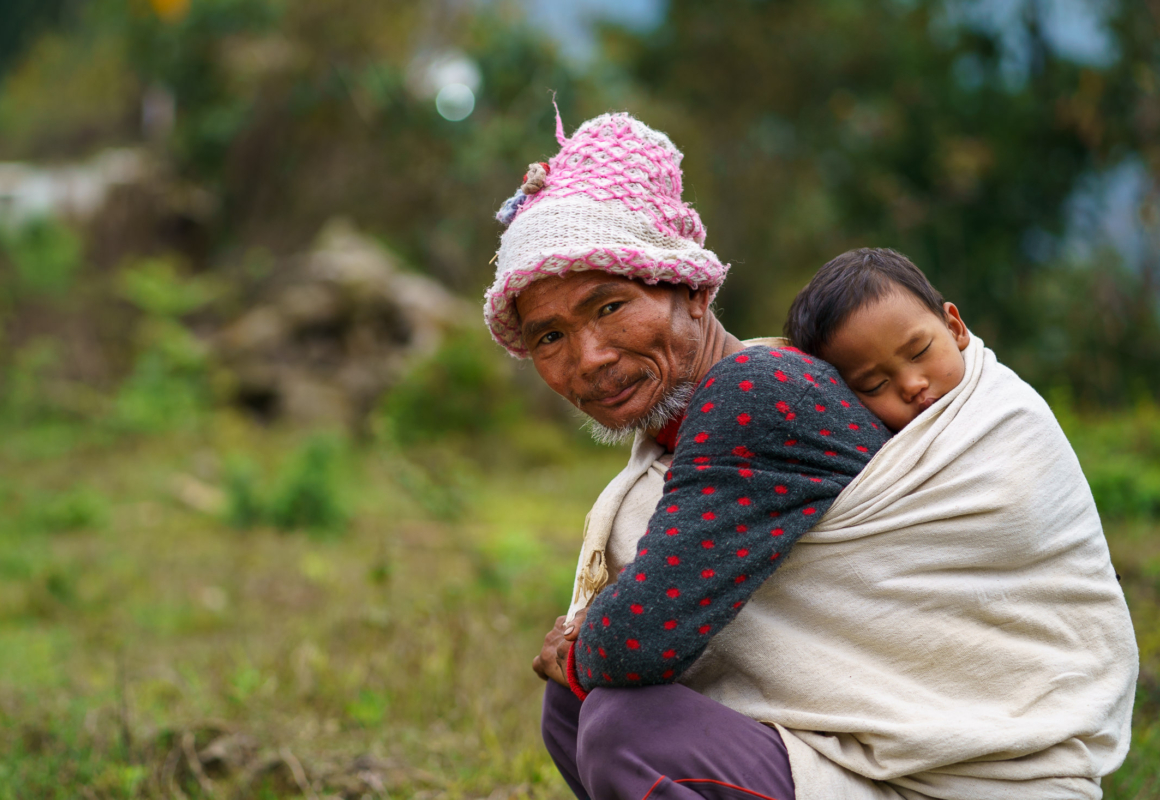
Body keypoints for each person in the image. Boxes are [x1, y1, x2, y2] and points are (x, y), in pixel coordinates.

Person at [486, 112, 1137, 800]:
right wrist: (596, 652)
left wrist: (588, 646)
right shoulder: (702, 413)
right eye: (550, 337)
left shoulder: (758, 396)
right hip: (856, 748)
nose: (589, 358)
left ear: (696, 291)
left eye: (611, 307)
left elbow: (638, 639)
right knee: (578, 705)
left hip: (960, 774)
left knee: (619, 720)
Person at [783, 248, 970, 433]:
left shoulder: (997, 400)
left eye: (921, 351)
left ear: (954, 327)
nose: (912, 386)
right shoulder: (874, 458)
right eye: (875, 385)